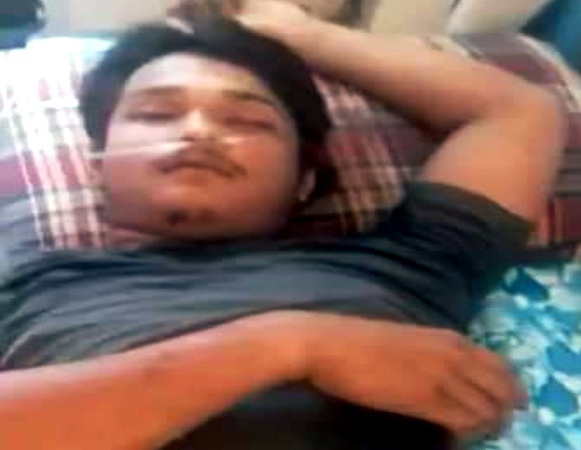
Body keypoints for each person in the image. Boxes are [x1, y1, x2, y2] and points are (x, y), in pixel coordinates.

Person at [0, 1, 564, 449]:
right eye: (156, 113)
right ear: (97, 165)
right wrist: (291, 344)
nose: (198, 131)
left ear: (304, 179)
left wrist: (304, 35)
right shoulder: (25, 289)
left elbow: (517, 111)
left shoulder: (403, 263)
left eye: (248, 121)